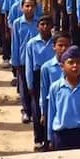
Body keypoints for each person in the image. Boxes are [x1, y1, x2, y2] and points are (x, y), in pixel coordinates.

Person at [47, 46, 80, 151]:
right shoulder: (56, 88)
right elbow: (51, 112)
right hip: (61, 135)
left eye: (78, 62)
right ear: (62, 66)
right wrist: (50, 138)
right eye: (70, 62)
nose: (75, 66)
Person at [24, 16, 55, 151]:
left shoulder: (55, 42)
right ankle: (39, 138)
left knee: (51, 106)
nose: (45, 27)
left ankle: (50, 137)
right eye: (42, 24)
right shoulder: (32, 43)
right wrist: (30, 83)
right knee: (37, 108)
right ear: (38, 27)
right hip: (37, 75)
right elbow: (29, 65)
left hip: (51, 73)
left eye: (48, 24)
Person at [11, 0, 39, 124]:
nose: (29, 9)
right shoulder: (17, 23)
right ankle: (26, 111)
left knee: (35, 87)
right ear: (22, 8)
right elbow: (15, 43)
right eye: (26, 6)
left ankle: (36, 111)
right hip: (22, 60)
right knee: (23, 86)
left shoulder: (39, 23)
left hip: (36, 60)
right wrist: (15, 62)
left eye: (32, 6)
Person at [39, 31, 72, 135]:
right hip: (52, 105)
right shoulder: (47, 67)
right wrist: (43, 112)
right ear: (53, 47)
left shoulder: (74, 66)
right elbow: (43, 92)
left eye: (66, 46)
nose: (63, 49)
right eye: (60, 45)